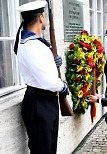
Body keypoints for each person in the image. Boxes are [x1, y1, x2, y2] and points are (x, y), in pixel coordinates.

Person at [14, 1, 67, 154]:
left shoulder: (33, 43)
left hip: (43, 102)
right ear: (41, 18)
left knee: (48, 149)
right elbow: (47, 81)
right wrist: (63, 86)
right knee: (43, 150)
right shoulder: (33, 45)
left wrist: (52, 61)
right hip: (40, 103)